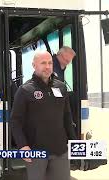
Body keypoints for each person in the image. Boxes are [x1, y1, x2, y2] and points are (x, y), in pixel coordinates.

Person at [10, 51, 77, 180]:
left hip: (60, 151)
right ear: (34, 65)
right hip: (36, 152)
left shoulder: (61, 87)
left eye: (50, 63)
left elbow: (67, 117)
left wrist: (73, 141)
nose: (47, 66)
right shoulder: (25, 90)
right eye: (43, 63)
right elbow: (15, 121)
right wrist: (22, 145)